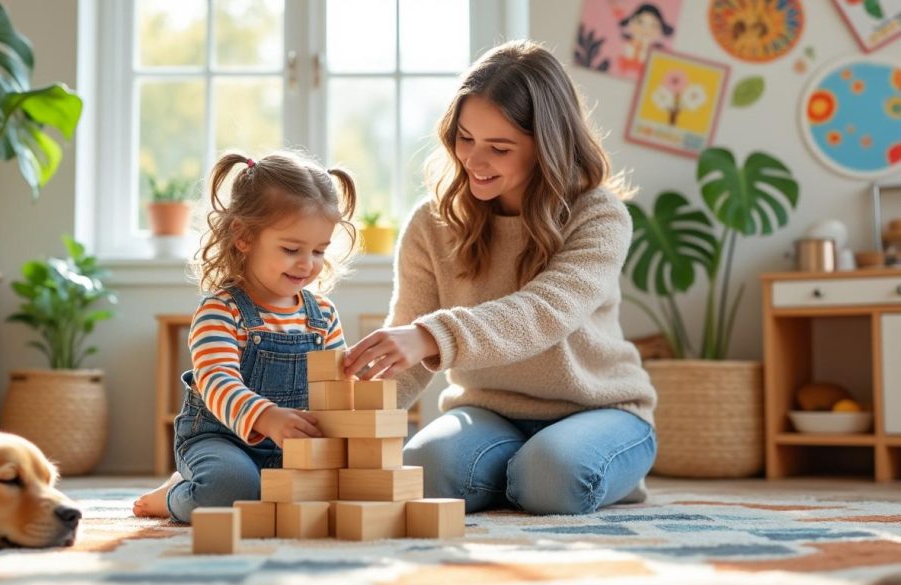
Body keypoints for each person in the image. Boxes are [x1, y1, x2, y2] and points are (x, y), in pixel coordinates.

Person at [342, 40, 657, 516]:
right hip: (490, 413)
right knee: (424, 470)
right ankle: (525, 472)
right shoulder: (431, 223)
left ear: (546, 146)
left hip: (598, 409)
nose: (474, 160)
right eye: (465, 138)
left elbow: (545, 312)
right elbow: (406, 349)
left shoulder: (598, 215)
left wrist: (430, 335)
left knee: (552, 477)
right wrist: (347, 417)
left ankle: (575, 471)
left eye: (500, 147)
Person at [133, 151, 358, 521]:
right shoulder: (221, 311)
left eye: (319, 251)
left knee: (348, 489)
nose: (308, 264)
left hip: (292, 448)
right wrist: (267, 418)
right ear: (243, 236)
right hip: (221, 440)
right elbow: (217, 381)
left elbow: (337, 387)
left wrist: (361, 394)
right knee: (230, 491)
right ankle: (174, 494)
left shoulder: (323, 315)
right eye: (291, 249)